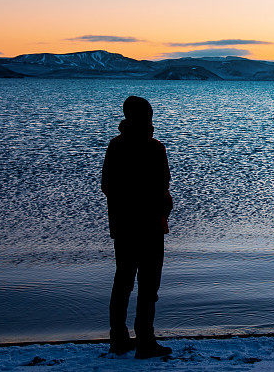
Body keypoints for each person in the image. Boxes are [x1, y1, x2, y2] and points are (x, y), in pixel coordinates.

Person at [101, 96, 173, 359]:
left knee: (123, 281)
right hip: (149, 226)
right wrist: (163, 208)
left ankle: (119, 339)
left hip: (122, 226)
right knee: (147, 284)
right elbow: (162, 187)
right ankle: (145, 341)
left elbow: (106, 187)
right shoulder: (155, 148)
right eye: (149, 115)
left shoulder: (115, 146)